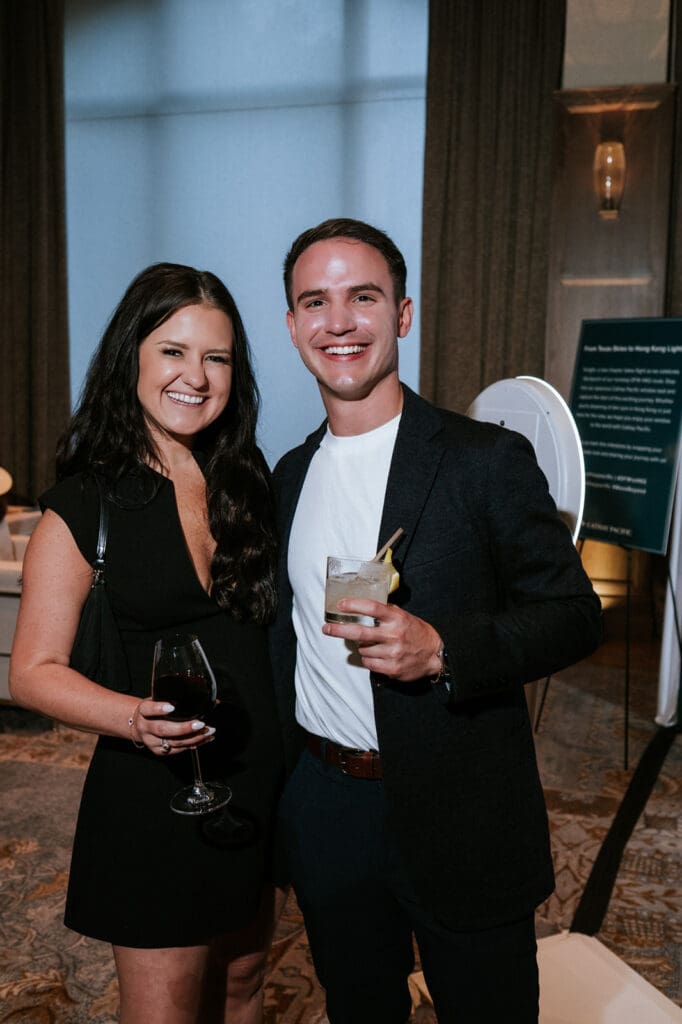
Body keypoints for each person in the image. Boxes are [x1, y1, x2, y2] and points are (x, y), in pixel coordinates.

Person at [269, 218, 602, 1024]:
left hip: (463, 808)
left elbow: (573, 617)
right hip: (327, 805)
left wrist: (444, 649)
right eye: (315, 301)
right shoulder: (287, 475)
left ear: (404, 314)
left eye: (363, 297)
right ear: (291, 325)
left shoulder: (483, 458)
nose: (338, 321)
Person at [10, 263, 285, 1024]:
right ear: (131, 355)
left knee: (245, 982)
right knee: (163, 1011)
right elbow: (32, 673)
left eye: (217, 357)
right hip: (155, 799)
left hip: (253, 785)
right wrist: (132, 717)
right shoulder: (83, 504)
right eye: (173, 351)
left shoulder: (244, 477)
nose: (196, 376)